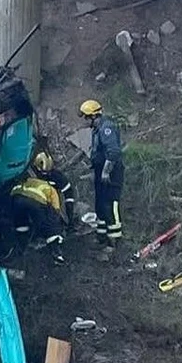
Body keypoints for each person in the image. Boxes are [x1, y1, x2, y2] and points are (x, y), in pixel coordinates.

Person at [79, 99, 124, 251]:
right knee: (100, 205)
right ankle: (101, 237)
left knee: (110, 204)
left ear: (93, 116)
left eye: (85, 117)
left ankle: (114, 240)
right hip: (100, 172)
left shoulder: (107, 128)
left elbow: (113, 152)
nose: (84, 121)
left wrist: (106, 171)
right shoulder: (97, 130)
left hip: (111, 172)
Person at [8, 172, 67, 265]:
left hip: (16, 198)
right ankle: (57, 253)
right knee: (50, 225)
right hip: (34, 201)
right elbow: (56, 211)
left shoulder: (34, 181)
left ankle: (20, 249)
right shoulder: (52, 190)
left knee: (21, 223)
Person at [31, 151, 75, 225]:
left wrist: (69, 214)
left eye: (46, 172)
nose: (44, 175)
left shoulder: (57, 177)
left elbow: (68, 193)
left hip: (53, 203)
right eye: (43, 172)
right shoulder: (32, 173)